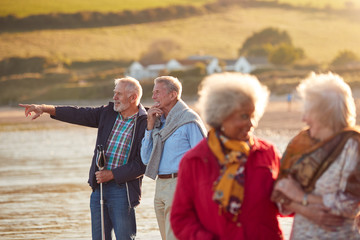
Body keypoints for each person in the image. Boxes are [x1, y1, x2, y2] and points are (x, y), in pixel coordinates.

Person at [19, 77, 148, 240]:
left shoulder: (147, 123)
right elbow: (78, 113)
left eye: (118, 94)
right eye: (114, 93)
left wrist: (113, 174)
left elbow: (141, 164)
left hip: (124, 191)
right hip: (98, 189)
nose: (114, 97)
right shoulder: (107, 113)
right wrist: (44, 108)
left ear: (133, 97)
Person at [170, 72, 284, 239]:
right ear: (222, 115)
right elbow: (180, 219)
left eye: (253, 116)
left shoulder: (267, 153)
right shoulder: (194, 161)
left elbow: (287, 208)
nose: (251, 123)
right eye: (244, 116)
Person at [272, 72, 360, 239]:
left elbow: (349, 206)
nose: (304, 118)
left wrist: (301, 196)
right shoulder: (300, 144)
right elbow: (280, 198)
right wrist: (306, 209)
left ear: (325, 114)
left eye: (309, 111)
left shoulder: (353, 146)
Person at [140, 76, 207, 240]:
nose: (153, 96)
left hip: (180, 184)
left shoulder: (188, 120)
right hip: (160, 185)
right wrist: (149, 126)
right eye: (153, 92)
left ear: (172, 95)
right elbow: (145, 159)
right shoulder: (158, 123)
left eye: (158, 92)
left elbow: (204, 158)